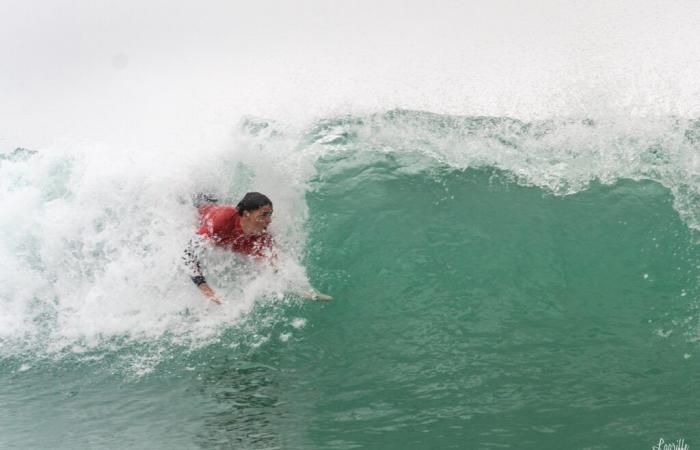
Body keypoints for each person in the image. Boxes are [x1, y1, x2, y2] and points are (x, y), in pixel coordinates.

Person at [183, 192, 331, 304]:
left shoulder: (262, 239)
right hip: (200, 206)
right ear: (246, 214)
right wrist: (206, 290)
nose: (269, 220)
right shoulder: (222, 220)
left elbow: (276, 269)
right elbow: (188, 254)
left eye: (270, 214)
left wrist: (307, 293)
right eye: (264, 215)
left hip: (234, 239)